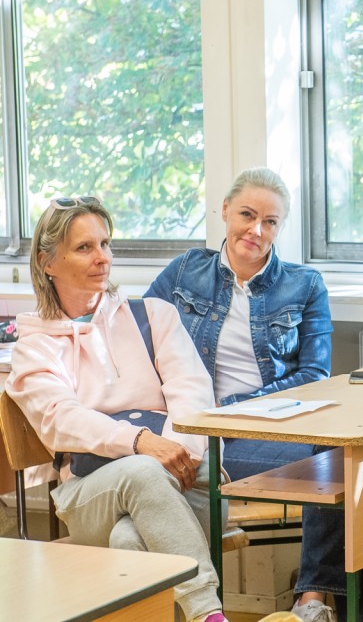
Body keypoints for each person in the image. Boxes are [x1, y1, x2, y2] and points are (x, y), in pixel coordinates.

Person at [145, 168, 363, 622]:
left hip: (270, 432)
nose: (256, 230)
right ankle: (324, 606)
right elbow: (139, 339)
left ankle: (311, 599)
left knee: (347, 460)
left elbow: (314, 374)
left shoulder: (305, 284)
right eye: (247, 215)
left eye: (270, 221)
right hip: (205, 440)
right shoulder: (184, 272)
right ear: (224, 211)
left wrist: (236, 408)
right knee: (344, 474)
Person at [7, 196, 227, 622]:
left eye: (105, 244)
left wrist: (175, 454)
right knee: (142, 474)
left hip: (184, 477)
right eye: (84, 247)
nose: (102, 257)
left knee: (130, 542)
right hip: (89, 494)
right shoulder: (35, 347)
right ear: (48, 262)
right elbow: (60, 419)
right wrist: (142, 443)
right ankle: (209, 613)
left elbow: (193, 395)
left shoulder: (155, 316)